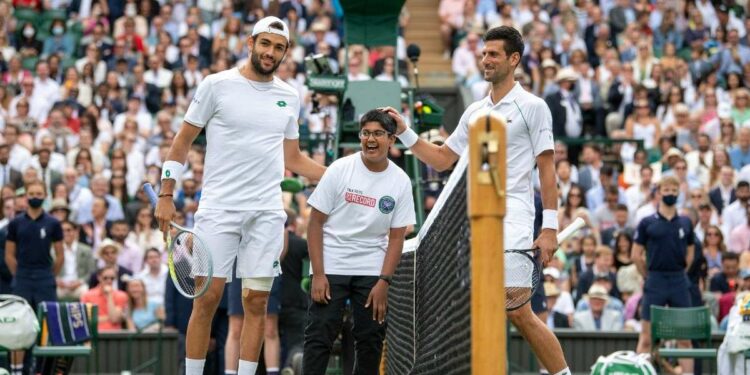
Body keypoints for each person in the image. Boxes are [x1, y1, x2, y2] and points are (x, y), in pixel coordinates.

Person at [384, 25, 570, 375]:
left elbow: (547, 170)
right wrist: (404, 132)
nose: (486, 60)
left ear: (513, 60)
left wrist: (549, 229)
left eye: (494, 54)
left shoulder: (534, 106)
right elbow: (442, 159)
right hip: (471, 226)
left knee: (517, 311)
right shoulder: (474, 112)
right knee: (470, 312)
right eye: (484, 53)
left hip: (514, 218)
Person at [154, 16, 325, 375]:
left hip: (265, 212)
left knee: (257, 301)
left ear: (285, 53)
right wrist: (166, 193)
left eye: (278, 47)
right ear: (250, 43)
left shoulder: (289, 96)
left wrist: (339, 175)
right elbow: (182, 141)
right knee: (207, 299)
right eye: (265, 44)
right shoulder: (216, 85)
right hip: (218, 209)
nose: (270, 52)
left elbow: (292, 158)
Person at [304, 109, 415, 373]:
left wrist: (384, 282)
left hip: (372, 270)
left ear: (392, 140)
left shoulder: (400, 181)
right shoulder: (339, 169)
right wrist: (318, 274)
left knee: (371, 339)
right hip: (331, 265)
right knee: (319, 336)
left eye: (378, 133)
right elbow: (314, 223)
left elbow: (397, 237)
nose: (370, 139)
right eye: (366, 133)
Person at [633, 175, 695, 373]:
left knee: (685, 339)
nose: (670, 194)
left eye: (674, 191)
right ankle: (641, 372)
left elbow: (691, 253)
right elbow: (636, 255)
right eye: (666, 190)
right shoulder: (646, 222)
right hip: (655, 280)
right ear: (659, 193)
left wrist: (680, 272)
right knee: (647, 338)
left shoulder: (686, 222)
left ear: (679, 193)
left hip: (678, 280)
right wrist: (648, 275)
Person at [4, 180, 64, 375]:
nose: (35, 196)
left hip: (44, 279)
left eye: (39, 192)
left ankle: (43, 371)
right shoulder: (15, 223)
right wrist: (19, 275)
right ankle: (18, 371)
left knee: (47, 326)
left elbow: (60, 255)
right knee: (19, 326)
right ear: (25, 195)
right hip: (22, 278)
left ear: (46, 196)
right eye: (32, 193)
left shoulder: (53, 223)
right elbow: (9, 255)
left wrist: (47, 275)